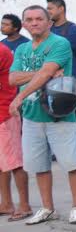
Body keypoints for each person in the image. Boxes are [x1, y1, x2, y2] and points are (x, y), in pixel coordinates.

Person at [8, 5, 76, 225]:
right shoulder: (22, 49)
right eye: (30, 19)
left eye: (39, 19)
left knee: (71, 163)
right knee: (39, 166)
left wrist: (20, 96)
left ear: (48, 22)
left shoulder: (60, 44)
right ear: (24, 24)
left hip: (59, 113)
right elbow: (13, 78)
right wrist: (43, 72)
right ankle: (47, 207)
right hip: (32, 116)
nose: (34, 23)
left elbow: (45, 73)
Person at [46, 0, 76, 160]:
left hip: (71, 79)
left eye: (50, 8)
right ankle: (60, 151)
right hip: (53, 79)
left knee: (75, 116)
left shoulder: (72, 29)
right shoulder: (50, 29)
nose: (48, 11)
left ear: (61, 8)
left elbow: (69, 48)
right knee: (56, 116)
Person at [0, 43, 32, 221]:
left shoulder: (1, 51)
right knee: (2, 164)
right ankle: (6, 203)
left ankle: (24, 205)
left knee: (14, 162)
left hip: (5, 113)